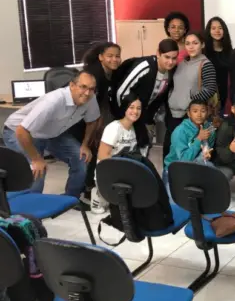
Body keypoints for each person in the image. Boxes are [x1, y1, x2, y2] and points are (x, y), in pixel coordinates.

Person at [3, 71, 100, 198]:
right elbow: (22, 131)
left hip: (52, 132)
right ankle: (30, 209)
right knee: (36, 169)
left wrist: (85, 145)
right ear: (72, 85)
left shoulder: (90, 98)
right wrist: (36, 159)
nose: (87, 93)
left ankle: (70, 199)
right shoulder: (53, 101)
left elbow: (92, 121)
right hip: (18, 131)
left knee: (81, 158)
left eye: (91, 89)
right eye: (83, 87)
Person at [78, 42, 122, 209]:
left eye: (117, 56)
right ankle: (87, 191)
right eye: (110, 56)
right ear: (101, 57)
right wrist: (96, 129)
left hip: (96, 116)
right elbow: (90, 106)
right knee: (92, 151)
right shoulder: (95, 75)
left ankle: (92, 187)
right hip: (86, 119)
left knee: (98, 150)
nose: (114, 59)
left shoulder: (110, 73)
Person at [92, 93, 148, 213]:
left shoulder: (137, 129)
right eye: (131, 107)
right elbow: (102, 156)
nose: (135, 111)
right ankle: (97, 193)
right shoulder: (113, 128)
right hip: (109, 171)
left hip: (125, 170)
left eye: (138, 108)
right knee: (109, 208)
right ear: (124, 108)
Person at [165, 31, 218, 158]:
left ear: (202, 44)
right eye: (187, 43)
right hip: (173, 114)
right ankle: (167, 176)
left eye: (195, 43)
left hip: (189, 116)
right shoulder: (182, 63)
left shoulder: (205, 64)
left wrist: (191, 104)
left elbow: (210, 89)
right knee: (170, 152)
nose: (191, 46)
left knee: (187, 154)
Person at [110, 38, 178, 127]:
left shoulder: (171, 71)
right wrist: (123, 117)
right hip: (127, 116)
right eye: (167, 57)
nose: (170, 62)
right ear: (158, 53)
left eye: (174, 58)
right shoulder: (145, 66)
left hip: (144, 118)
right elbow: (121, 92)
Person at [163, 99, 219, 198]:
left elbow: (205, 153)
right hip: (175, 171)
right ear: (189, 113)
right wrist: (198, 139)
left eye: (203, 111)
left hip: (196, 169)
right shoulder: (180, 131)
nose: (199, 114)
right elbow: (183, 160)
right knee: (174, 207)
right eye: (195, 111)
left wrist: (206, 155)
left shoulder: (210, 130)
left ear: (207, 112)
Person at [204, 16, 234, 115]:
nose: (217, 31)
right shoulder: (203, 52)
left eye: (220, 28)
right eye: (213, 28)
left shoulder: (230, 52)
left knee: (221, 127)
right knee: (208, 128)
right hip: (208, 99)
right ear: (208, 31)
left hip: (226, 97)